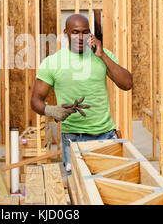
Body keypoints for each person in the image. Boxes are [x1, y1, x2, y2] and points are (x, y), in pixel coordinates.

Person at [30, 14, 133, 175]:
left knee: (110, 189)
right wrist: (51, 111)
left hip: (105, 135)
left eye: (85, 32)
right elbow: (35, 100)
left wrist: (103, 55)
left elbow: (127, 84)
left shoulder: (102, 56)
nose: (80, 37)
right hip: (73, 138)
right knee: (79, 193)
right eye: (75, 32)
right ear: (66, 33)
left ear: (90, 35)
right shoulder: (52, 63)